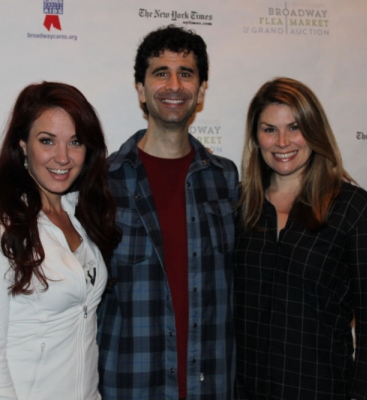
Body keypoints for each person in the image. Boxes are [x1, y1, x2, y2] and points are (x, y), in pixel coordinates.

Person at [97, 25, 239, 400]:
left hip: (212, 384)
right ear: (141, 90)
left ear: (201, 90)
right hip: (130, 386)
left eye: (186, 73)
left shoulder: (225, 179)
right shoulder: (104, 181)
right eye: (161, 73)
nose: (174, 85)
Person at [234, 77, 367, 400]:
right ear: (256, 138)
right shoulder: (239, 208)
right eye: (269, 129)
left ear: (314, 131)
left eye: (294, 127)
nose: (282, 142)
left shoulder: (358, 211)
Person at [0, 82, 121, 400]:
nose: (62, 157)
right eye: (47, 141)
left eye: (75, 142)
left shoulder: (82, 218)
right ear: (22, 144)